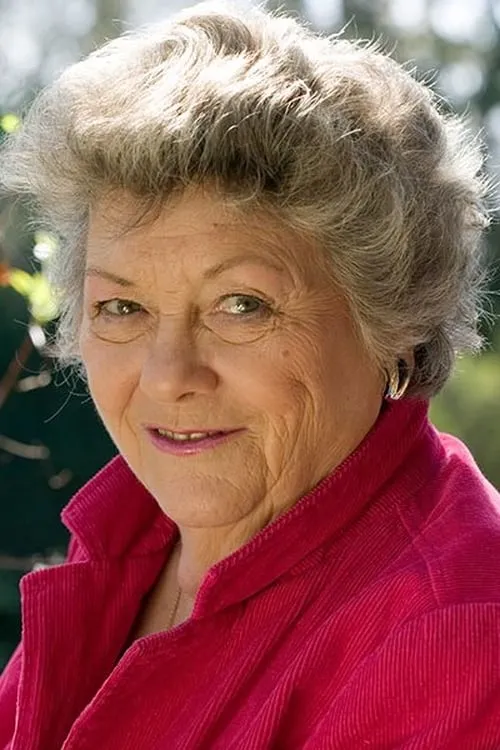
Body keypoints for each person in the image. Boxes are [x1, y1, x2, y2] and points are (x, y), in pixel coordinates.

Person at [1, 2, 500, 748]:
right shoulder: (130, 536)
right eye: (123, 307)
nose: (168, 376)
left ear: (391, 316)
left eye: (242, 306)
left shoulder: (455, 637)